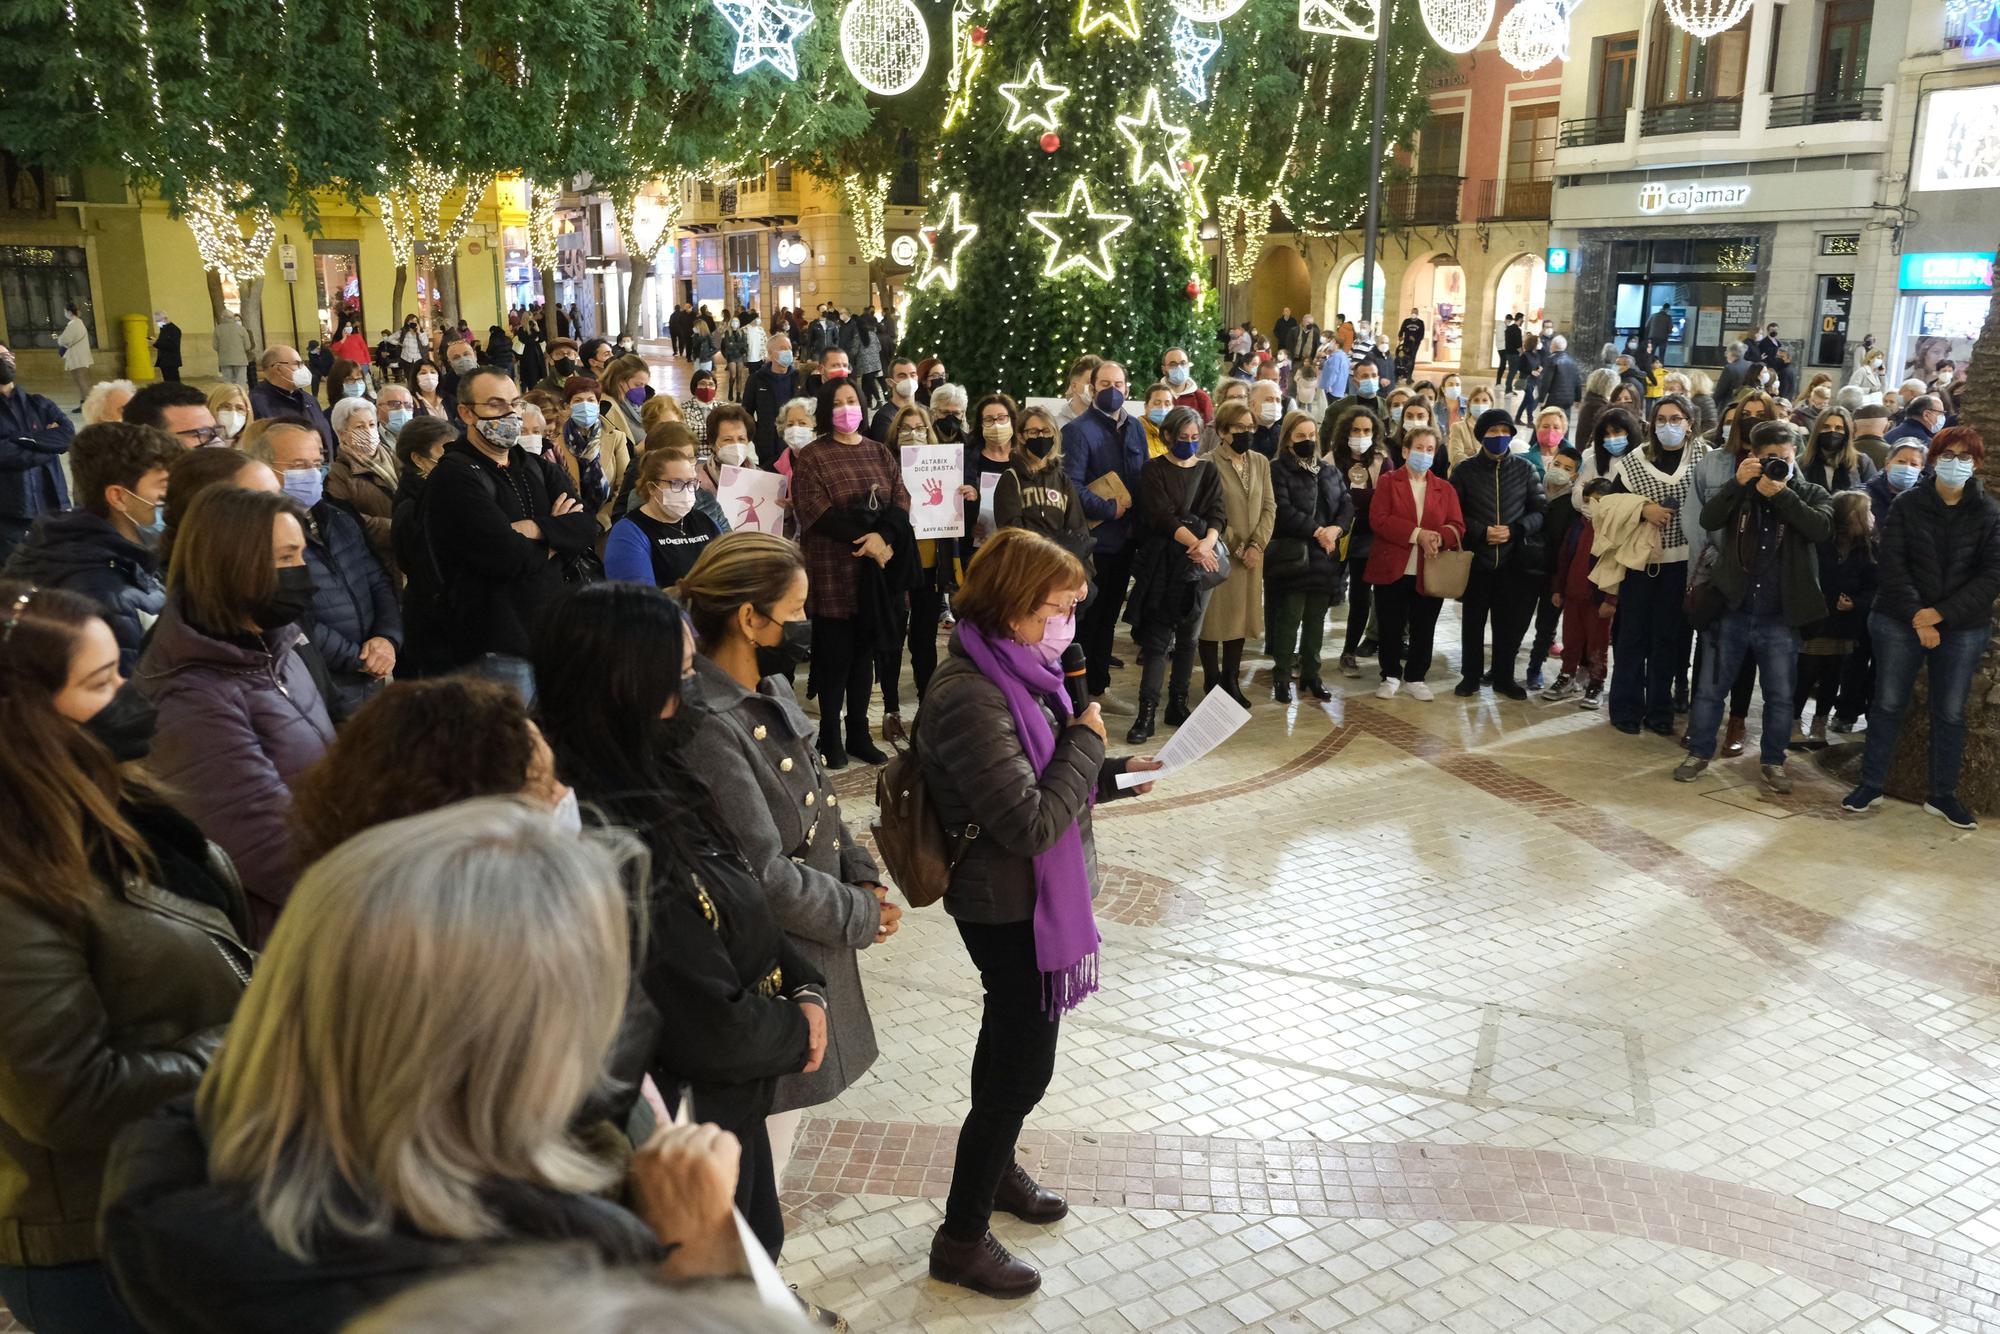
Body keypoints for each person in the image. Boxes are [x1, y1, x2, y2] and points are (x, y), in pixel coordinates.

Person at [100, 799, 760, 1334]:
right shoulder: (493, 1300)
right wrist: (697, 1261)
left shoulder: (203, 1191)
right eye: (588, 1011)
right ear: (498, 1062)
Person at [531, 585, 832, 1265]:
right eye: (681, 674)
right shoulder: (594, 829)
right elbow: (698, 1026)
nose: (693, 691)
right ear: (624, 684)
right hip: (681, 1129)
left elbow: (738, 895)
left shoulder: (657, 770)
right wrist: (799, 1028)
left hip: (729, 1110)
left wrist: (805, 983)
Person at [0, 582, 251, 1334]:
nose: (129, 697)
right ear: (23, 719)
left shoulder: (111, 799)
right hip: (97, 1238)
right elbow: (68, 1094)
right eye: (101, 684)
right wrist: (260, 1041)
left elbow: (199, 938)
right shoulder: (15, 879)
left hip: (186, 1186)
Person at [913, 528, 1157, 1297]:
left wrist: (1111, 775)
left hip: (1032, 897)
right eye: (1058, 608)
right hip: (1003, 904)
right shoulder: (969, 693)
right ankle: (960, 1238)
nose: (1069, 626)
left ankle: (998, 1171)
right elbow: (1024, 821)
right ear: (1014, 604)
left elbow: (1048, 771)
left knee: (1017, 1060)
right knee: (1019, 1067)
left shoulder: (1023, 668)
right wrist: (1089, 747)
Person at [678, 532, 899, 1183]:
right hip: (773, 962)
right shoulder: (710, 724)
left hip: (817, 934)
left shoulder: (768, 686)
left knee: (787, 1126)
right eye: (795, 610)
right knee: (758, 1144)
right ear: (750, 618)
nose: (805, 623)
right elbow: (764, 874)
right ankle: (757, 1277)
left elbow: (821, 799)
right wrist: (858, 914)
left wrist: (862, 872)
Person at [137, 485, 334, 940]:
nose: (302, 573)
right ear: (232, 565)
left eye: (301, 555)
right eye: (285, 559)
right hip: (288, 931)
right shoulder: (190, 698)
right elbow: (271, 850)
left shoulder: (275, 647)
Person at [1841, 427, 2000, 827]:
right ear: (1934, 458)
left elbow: (1991, 575)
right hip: (1899, 618)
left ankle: (1943, 794)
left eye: (1966, 457)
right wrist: (1918, 614)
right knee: (1889, 702)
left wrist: (1940, 615)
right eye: (1949, 454)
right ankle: (1871, 784)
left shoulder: (1989, 511)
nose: (1956, 463)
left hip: (1962, 625)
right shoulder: (1909, 504)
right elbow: (1892, 564)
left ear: (1976, 464)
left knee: (1949, 710)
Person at [1675, 421, 1836, 794]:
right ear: (1754, 458)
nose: (1778, 464)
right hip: (1733, 608)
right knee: (1710, 690)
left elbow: (1821, 529)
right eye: (1769, 459)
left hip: (1781, 616)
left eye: (1784, 458)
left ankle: (1773, 762)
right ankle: (1698, 753)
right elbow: (1708, 518)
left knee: (1780, 695)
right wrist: (1738, 483)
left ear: (1795, 456)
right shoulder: (1742, 491)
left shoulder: (1811, 493)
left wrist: (1780, 494)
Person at [424, 368, 599, 697]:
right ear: (466, 412)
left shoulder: (536, 466)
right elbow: (506, 557)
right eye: (494, 405)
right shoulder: (454, 478)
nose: (509, 413)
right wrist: (556, 538)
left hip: (551, 636)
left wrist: (534, 529)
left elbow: (586, 528)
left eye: (514, 403)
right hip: (497, 646)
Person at [789, 379, 912, 768]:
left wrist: (884, 535)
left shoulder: (878, 451)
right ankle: (830, 734)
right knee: (835, 658)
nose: (847, 409)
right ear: (827, 410)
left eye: (852, 401)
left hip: (874, 577)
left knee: (864, 657)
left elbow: (901, 498)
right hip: (831, 569)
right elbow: (816, 512)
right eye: (839, 403)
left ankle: (859, 731)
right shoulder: (812, 456)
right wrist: (870, 539)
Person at [248, 420, 401, 721]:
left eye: (317, 463)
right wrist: (356, 657)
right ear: (263, 468)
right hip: (319, 679)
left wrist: (388, 637)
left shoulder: (338, 519)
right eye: (298, 464)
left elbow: (378, 579)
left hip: (371, 674)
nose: (312, 473)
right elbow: (289, 616)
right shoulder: (260, 534)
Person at [2, 422, 177, 672]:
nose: (176, 497)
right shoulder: (102, 591)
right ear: (119, 497)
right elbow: (122, 696)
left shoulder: (120, 556)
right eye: (164, 486)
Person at [1122, 406, 1226, 743]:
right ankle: (1147, 712)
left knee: (1189, 638)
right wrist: (1196, 543)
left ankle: (1177, 704)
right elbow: (1161, 517)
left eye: (1195, 438)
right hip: (1163, 563)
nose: (1190, 444)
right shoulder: (1153, 470)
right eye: (1183, 438)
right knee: (1156, 641)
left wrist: (1206, 544)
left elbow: (1217, 514)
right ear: (1168, 436)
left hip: (1199, 564)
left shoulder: (1208, 471)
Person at [1604, 395, 1704, 735]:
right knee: (1632, 637)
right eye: (1661, 419)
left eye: (1676, 419)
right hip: (1641, 563)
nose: (1668, 426)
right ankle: (1625, 707)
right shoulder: (1635, 461)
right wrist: (1642, 509)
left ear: (1690, 422)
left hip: (1683, 566)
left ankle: (1660, 710)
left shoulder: (1704, 459)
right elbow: (1609, 505)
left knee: (1669, 639)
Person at [1064, 360, 1150, 715]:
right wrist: (1107, 508)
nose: (1112, 389)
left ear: (1128, 388)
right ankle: (1077, 696)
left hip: (1127, 540)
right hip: (1095, 544)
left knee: (1109, 619)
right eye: (1104, 383)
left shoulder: (1136, 428)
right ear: (1091, 388)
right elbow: (1071, 486)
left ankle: (1099, 688)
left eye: (1118, 383)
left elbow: (1144, 475)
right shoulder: (1078, 431)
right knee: (1087, 621)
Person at [1362, 425, 1465, 700]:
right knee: (1391, 625)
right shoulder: (1388, 481)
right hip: (1393, 566)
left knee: (1424, 625)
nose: (1424, 453)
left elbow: (1457, 525)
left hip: (1429, 569)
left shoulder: (1444, 488)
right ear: (1406, 451)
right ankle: (1390, 674)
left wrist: (1438, 538)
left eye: (1430, 449)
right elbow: (1379, 519)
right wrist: (1418, 534)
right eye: (1419, 448)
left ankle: (1416, 676)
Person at [1452, 408, 1546, 698]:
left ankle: (1504, 677)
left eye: (1505, 432)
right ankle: (1470, 676)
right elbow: (1454, 513)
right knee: (1473, 622)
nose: (1500, 437)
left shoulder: (1525, 469)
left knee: (1507, 625)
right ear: (1482, 436)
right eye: (1493, 432)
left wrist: (1515, 530)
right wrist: (1481, 532)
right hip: (1478, 559)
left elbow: (1539, 510)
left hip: (1512, 560)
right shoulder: (1464, 471)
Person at [1264, 408, 1354, 702]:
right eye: (1300, 435)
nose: (1307, 440)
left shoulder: (1328, 470)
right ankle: (1280, 676)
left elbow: (1346, 504)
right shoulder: (1277, 469)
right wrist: (1318, 531)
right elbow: (1283, 510)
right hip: (1294, 556)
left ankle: (1311, 674)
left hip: (1325, 558)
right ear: (1288, 438)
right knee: (1289, 618)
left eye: (1311, 435)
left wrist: (1336, 530)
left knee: (1317, 620)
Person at [1196, 402, 1275, 707]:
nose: (1246, 433)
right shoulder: (1208, 463)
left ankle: (1231, 678)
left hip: (1253, 555)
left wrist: (1257, 545)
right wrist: (1239, 547)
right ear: (1222, 431)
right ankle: (1211, 678)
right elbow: (1207, 514)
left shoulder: (1260, 462)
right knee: (1215, 619)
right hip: (1221, 553)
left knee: (1241, 619)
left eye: (1250, 427)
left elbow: (1269, 506)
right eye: (1239, 428)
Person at [1791, 492, 1877, 748]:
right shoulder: (1820, 543)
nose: (1871, 518)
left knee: (1832, 675)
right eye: (1866, 512)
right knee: (1806, 673)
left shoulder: (1868, 548)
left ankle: (1820, 722)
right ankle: (1793, 720)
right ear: (1850, 516)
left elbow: (1873, 587)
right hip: (1816, 621)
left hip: (1845, 626)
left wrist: (1856, 603)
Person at [604, 447, 728, 588]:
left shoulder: (704, 521)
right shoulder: (628, 532)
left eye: (691, 483)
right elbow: (639, 600)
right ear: (652, 487)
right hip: (667, 608)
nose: (686, 490)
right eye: (676, 483)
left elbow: (728, 573)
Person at [0, 343, 75, 566]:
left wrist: (17, 439)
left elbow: (67, 436)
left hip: (53, 505)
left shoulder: (39, 404)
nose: (5, 361)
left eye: (6, 355)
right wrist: (47, 447)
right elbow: (3, 453)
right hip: (9, 513)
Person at [993, 404, 1092, 568]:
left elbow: (1078, 530)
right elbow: (1011, 531)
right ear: (1021, 437)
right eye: (1033, 432)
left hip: (1060, 567)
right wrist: (1053, 543)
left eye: (1046, 431)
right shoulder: (1011, 478)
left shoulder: (1063, 480)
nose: (1040, 436)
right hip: (1026, 567)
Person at [326, 395, 400, 576]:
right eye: (360, 427)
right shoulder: (337, 473)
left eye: (372, 424)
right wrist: (400, 528)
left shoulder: (395, 457)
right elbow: (350, 520)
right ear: (342, 433)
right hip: (379, 562)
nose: (368, 431)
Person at [249, 346, 336, 456]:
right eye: (297, 364)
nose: (303, 369)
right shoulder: (257, 403)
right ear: (278, 368)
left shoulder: (309, 400)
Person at [743, 336, 800, 468]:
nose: (788, 352)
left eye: (789, 349)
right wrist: (758, 435)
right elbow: (746, 413)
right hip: (767, 447)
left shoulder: (798, 378)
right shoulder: (756, 379)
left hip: (795, 444)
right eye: (782, 348)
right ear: (770, 353)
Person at [1798, 405, 1878, 494]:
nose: (1832, 431)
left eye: (1839, 428)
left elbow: (1873, 495)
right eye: (1826, 427)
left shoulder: (1862, 462)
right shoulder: (1802, 462)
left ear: (1847, 432)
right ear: (1817, 430)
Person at [56, 302, 93, 409]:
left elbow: (63, 340)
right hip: (80, 356)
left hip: (77, 357)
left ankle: (87, 405)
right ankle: (84, 403)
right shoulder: (79, 323)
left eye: (65, 312)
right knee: (81, 381)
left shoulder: (73, 324)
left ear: (69, 312)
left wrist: (59, 339)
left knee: (81, 381)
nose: (64, 314)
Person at [1163, 346, 1211, 421]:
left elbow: (1208, 429)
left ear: (1188, 366)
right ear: (1164, 369)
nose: (1179, 367)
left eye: (1183, 363)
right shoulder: (1156, 395)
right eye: (1173, 364)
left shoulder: (1201, 398)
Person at [211, 310, 254, 386]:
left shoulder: (218, 329)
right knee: (241, 382)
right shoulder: (241, 329)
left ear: (223, 318)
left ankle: (230, 397)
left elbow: (215, 346)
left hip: (225, 360)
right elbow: (248, 346)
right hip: (241, 360)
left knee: (228, 383)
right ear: (233, 317)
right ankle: (240, 397)